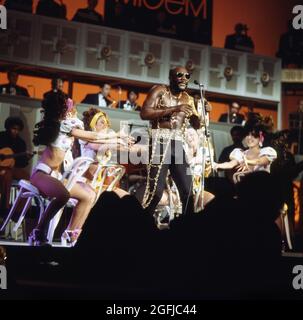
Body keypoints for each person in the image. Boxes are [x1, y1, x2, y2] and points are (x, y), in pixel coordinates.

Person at [30, 91, 125, 246]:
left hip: (58, 176)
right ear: (61, 108)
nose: (72, 106)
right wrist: (117, 136)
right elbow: (93, 137)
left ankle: (71, 234)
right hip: (43, 174)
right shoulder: (62, 125)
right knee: (63, 195)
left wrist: (117, 138)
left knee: (89, 196)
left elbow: (90, 136)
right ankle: (38, 231)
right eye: (68, 104)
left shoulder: (68, 125)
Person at [140, 66, 203, 217]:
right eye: (179, 75)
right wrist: (174, 109)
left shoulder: (187, 98)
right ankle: (141, 223)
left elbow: (197, 124)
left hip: (178, 144)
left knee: (188, 191)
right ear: (171, 77)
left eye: (187, 76)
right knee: (155, 190)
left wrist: (203, 111)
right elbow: (144, 113)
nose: (184, 78)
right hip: (159, 141)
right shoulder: (160, 90)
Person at [81, 108, 133, 198]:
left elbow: (120, 146)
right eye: (102, 122)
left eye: (106, 122)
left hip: (100, 179)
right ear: (93, 125)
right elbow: (100, 146)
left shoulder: (107, 139)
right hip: (87, 180)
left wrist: (128, 143)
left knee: (126, 197)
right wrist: (118, 138)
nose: (106, 125)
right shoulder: (86, 138)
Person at [0, 117, 32, 213]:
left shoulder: (20, 143)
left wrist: (27, 158)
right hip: (3, 169)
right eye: (14, 129)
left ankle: (19, 210)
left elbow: (22, 164)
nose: (16, 131)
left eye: (18, 129)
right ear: (8, 127)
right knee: (6, 175)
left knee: (28, 179)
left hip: (13, 168)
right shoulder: (1, 136)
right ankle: (3, 209)